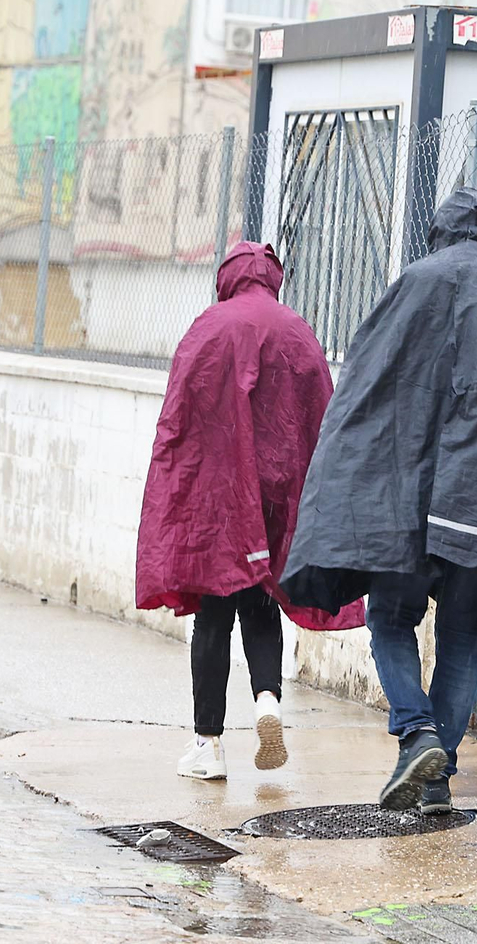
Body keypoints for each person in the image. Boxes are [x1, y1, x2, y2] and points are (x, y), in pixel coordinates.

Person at [281, 188, 477, 815]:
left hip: (412, 497)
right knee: (464, 637)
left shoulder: (416, 281)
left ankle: (417, 735)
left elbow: (366, 391)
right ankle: (436, 782)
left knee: (390, 616)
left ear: (437, 231)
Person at [137, 242, 365, 781]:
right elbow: (321, 416)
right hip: (275, 494)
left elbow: (177, 419)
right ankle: (267, 703)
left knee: (214, 616)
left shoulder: (209, 328)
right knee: (261, 602)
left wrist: (174, 490)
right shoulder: (298, 331)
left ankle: (208, 746)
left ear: (229, 279)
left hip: (220, 497)